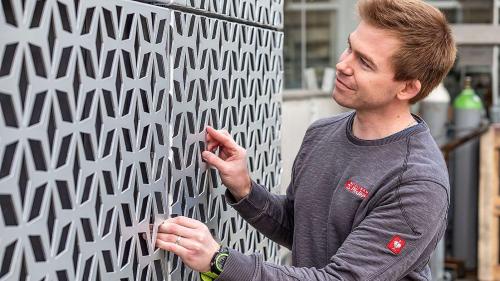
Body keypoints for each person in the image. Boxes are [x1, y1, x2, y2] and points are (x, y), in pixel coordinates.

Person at [155, 0, 457, 280]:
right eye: (349, 48)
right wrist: (245, 189)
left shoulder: (416, 183)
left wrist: (218, 260)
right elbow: (302, 229)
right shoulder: (322, 133)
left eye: (364, 62)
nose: (342, 65)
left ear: (406, 88)